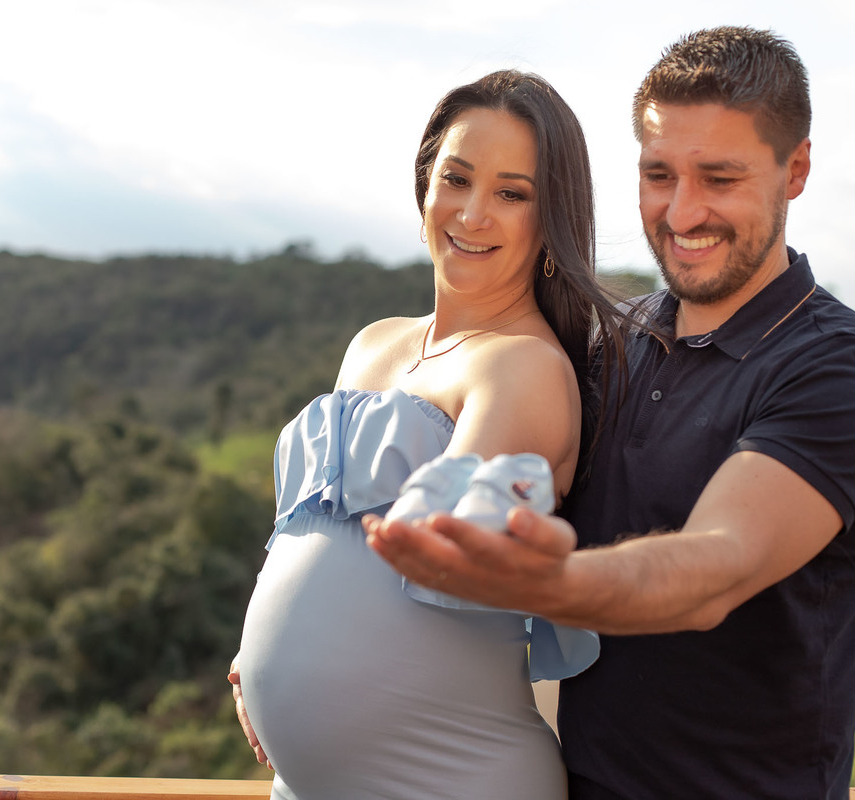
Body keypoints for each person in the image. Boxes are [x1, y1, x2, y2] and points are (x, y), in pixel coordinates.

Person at [365, 26, 855, 800]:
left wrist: (543, 583)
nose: (682, 212)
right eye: (660, 174)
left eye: (718, 177)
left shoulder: (835, 369)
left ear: (796, 170)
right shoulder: (613, 347)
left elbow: (712, 568)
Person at [228, 70, 628, 799]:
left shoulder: (526, 366)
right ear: (424, 187)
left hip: (449, 776)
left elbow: (447, 543)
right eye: (457, 179)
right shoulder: (373, 344)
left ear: (551, 221)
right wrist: (258, 654)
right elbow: (305, 539)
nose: (473, 214)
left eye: (512, 193)